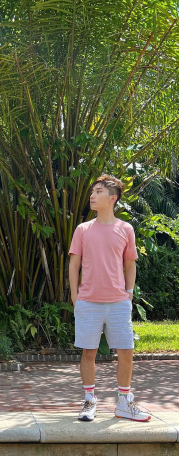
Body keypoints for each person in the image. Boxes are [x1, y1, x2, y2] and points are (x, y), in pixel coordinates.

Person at [69, 174, 150, 422]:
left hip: (118, 303)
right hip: (88, 302)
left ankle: (124, 403)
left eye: (98, 192)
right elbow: (74, 265)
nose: (92, 196)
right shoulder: (83, 229)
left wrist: (129, 293)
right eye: (92, 192)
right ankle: (89, 401)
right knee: (89, 353)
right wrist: (75, 298)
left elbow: (130, 264)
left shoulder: (125, 229)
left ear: (112, 198)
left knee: (126, 352)